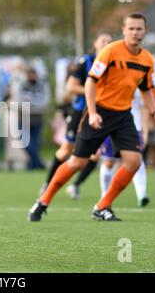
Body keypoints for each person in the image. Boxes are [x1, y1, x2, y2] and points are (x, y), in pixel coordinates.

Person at [28, 12, 155, 222]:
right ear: (123, 30)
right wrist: (92, 113)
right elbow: (90, 82)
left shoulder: (146, 59)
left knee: (134, 161)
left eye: (139, 28)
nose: (135, 32)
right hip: (100, 112)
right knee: (77, 162)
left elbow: (146, 89)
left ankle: (103, 206)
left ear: (145, 31)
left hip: (123, 116)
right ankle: (43, 201)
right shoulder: (111, 51)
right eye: (131, 28)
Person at [39, 31, 113, 197]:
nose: (106, 44)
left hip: (101, 113)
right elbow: (71, 87)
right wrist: (93, 92)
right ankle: (48, 184)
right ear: (95, 43)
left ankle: (76, 185)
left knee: (96, 154)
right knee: (66, 150)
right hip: (80, 112)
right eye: (103, 41)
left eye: (110, 41)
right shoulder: (85, 62)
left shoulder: (113, 64)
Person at [98, 90, 150, 207]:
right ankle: (104, 195)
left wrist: (145, 132)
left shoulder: (139, 82)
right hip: (112, 127)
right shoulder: (112, 80)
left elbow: (144, 108)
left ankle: (142, 195)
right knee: (108, 162)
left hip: (134, 128)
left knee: (137, 160)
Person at [17, 67, 50, 170]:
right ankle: (38, 163)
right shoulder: (22, 85)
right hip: (24, 116)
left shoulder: (42, 85)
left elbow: (45, 101)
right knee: (24, 141)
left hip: (37, 116)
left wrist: (30, 103)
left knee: (35, 141)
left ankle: (32, 164)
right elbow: (18, 100)